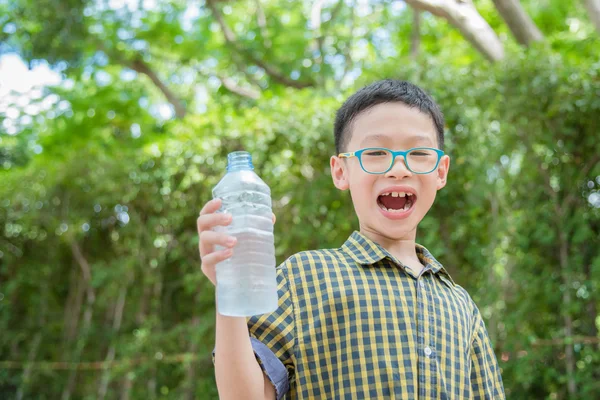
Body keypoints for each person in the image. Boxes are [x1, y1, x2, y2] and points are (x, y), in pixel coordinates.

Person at [197, 79, 505, 399]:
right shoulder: (305, 277)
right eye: (375, 152)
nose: (398, 168)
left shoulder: (460, 305)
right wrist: (229, 290)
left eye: (418, 152)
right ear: (341, 171)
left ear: (441, 171)